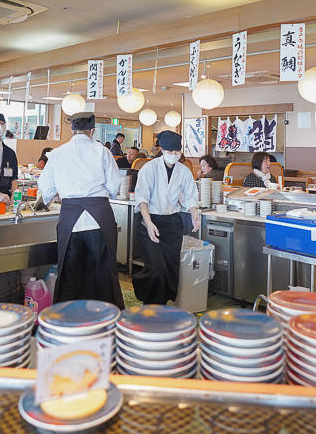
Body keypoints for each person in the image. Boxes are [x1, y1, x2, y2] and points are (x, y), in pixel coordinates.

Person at [38, 112, 123, 307]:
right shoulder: (102, 151)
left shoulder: (58, 152)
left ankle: (67, 318)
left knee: (69, 271)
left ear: (71, 129)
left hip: (70, 217)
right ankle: (106, 317)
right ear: (92, 131)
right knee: (104, 270)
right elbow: (114, 184)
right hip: (99, 216)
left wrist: (56, 194)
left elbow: (46, 187)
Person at [132, 130, 200, 305]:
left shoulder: (183, 171)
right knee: (156, 268)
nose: (174, 155)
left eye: (177, 152)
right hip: (150, 220)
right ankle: (148, 301)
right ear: (162, 149)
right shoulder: (150, 168)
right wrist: (148, 223)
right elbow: (142, 198)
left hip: (171, 224)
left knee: (170, 268)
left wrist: (194, 214)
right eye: (170, 152)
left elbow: (190, 195)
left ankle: (161, 305)